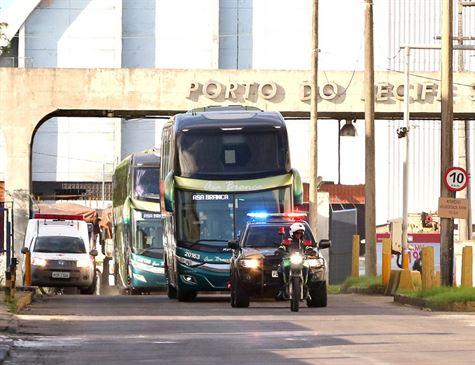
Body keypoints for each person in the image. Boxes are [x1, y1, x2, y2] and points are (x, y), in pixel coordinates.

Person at [275, 222, 307, 300]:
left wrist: (311, 251)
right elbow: (281, 247)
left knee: (309, 270)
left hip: (301, 260)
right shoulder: (287, 242)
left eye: (300, 233)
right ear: (292, 233)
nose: (298, 235)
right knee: (280, 270)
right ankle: (282, 289)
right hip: (289, 260)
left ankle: (307, 288)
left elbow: (309, 248)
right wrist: (280, 250)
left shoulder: (304, 242)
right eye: (297, 233)